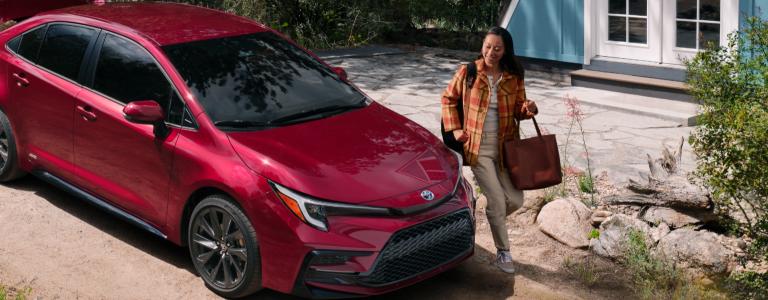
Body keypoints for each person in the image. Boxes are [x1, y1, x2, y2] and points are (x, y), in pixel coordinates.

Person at [441, 26, 538, 274]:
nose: (491, 52)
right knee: (496, 199)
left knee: (516, 200)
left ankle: (489, 215)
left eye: (497, 48)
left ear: (505, 51)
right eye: (487, 46)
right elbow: (448, 99)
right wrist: (454, 130)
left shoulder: (514, 76)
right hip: (478, 147)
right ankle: (503, 252)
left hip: (506, 148)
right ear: (482, 45)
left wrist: (528, 109)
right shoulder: (469, 71)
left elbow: (519, 109)